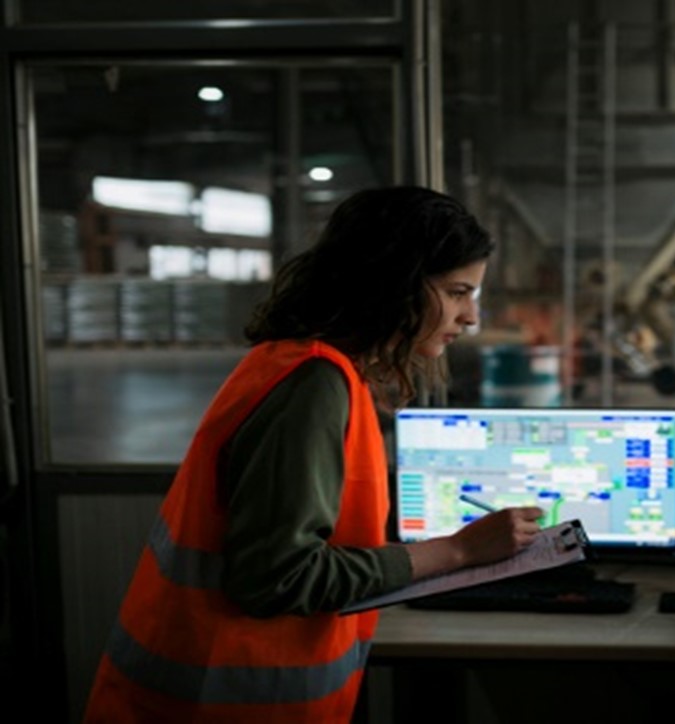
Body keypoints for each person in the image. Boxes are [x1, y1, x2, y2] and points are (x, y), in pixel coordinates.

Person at [82, 186, 544, 723]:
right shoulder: (313, 386)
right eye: (457, 291)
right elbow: (278, 577)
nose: (469, 318)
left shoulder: (302, 364)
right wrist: (458, 552)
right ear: (395, 284)